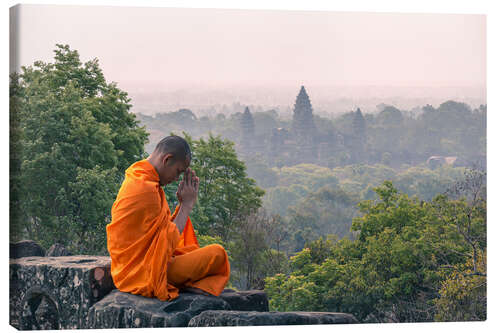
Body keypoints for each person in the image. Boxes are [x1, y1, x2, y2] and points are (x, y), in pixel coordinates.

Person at [106, 135, 230, 301]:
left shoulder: (140, 176)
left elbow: (158, 237)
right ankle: (190, 284)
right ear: (167, 159)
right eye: (178, 171)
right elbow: (166, 242)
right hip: (145, 272)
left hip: (133, 268)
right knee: (218, 254)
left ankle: (188, 282)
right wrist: (186, 206)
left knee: (193, 251)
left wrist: (182, 204)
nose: (177, 178)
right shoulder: (146, 190)